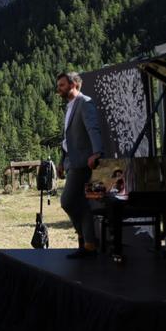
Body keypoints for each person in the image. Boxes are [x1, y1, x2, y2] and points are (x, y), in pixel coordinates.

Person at [56, 71, 104, 259]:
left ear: (74, 84)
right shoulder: (69, 107)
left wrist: (97, 153)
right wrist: (61, 162)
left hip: (83, 162)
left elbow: (93, 128)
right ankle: (88, 244)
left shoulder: (85, 103)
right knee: (82, 204)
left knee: (67, 201)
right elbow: (67, 139)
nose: (58, 88)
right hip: (71, 162)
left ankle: (84, 238)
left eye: (61, 85)